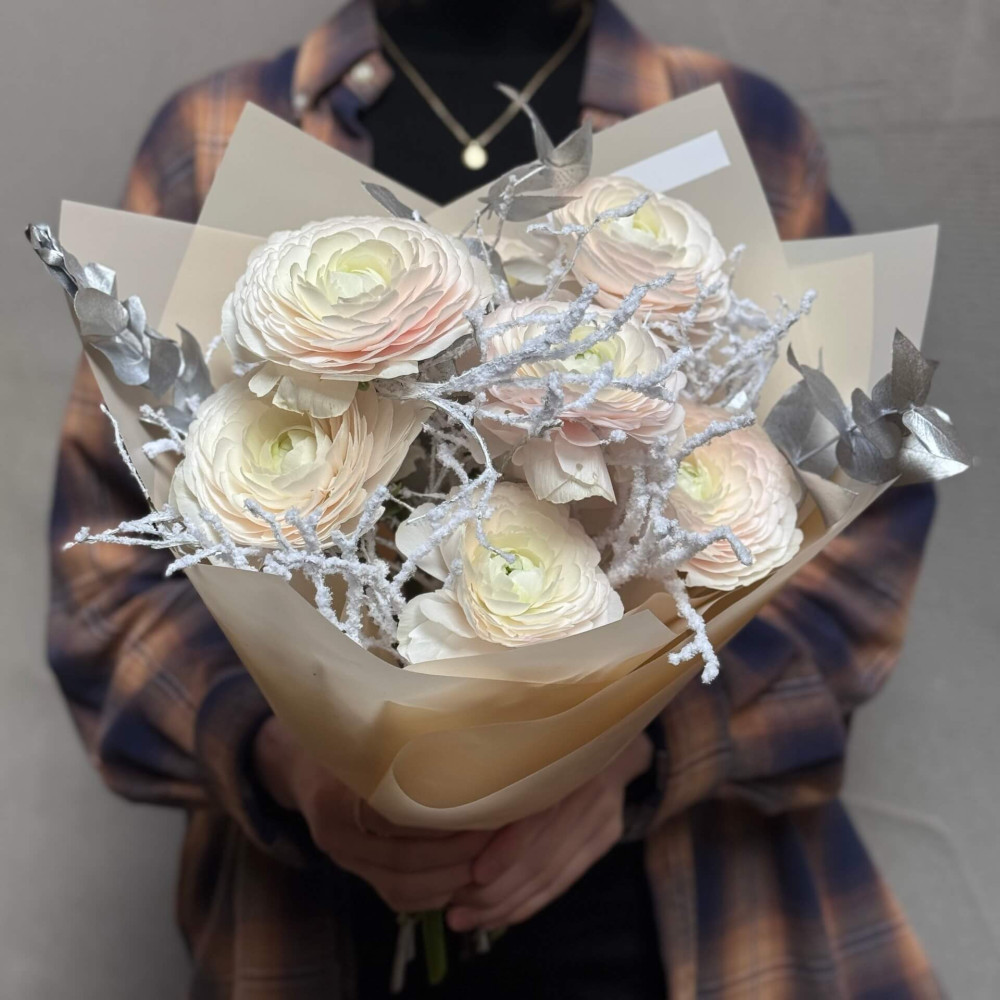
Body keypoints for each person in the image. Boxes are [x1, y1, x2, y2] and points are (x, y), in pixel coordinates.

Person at [48, 0, 942, 996]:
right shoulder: (210, 136)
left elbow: (850, 558)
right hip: (316, 923)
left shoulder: (742, 126)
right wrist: (295, 766)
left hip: (684, 931)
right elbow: (108, 592)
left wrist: (638, 758)